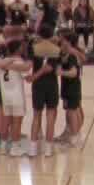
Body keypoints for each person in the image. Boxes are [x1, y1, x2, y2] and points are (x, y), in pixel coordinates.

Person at [29, 25, 63, 157]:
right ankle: (48, 149)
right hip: (51, 84)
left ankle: (33, 148)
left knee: (36, 115)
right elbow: (50, 68)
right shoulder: (56, 49)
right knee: (50, 116)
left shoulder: (34, 48)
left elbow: (31, 64)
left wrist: (34, 76)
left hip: (38, 85)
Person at [0, 40, 33, 157]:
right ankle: (15, 148)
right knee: (17, 123)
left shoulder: (2, 62)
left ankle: (2, 147)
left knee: (5, 121)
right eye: (21, 47)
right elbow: (28, 77)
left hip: (5, 96)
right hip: (17, 97)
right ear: (17, 49)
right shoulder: (19, 61)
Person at [58, 35, 87, 146]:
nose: (60, 41)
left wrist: (60, 72)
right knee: (73, 109)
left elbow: (74, 71)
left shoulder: (72, 54)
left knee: (73, 110)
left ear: (68, 41)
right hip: (68, 85)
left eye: (62, 39)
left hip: (72, 85)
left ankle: (75, 135)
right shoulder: (66, 53)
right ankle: (72, 132)